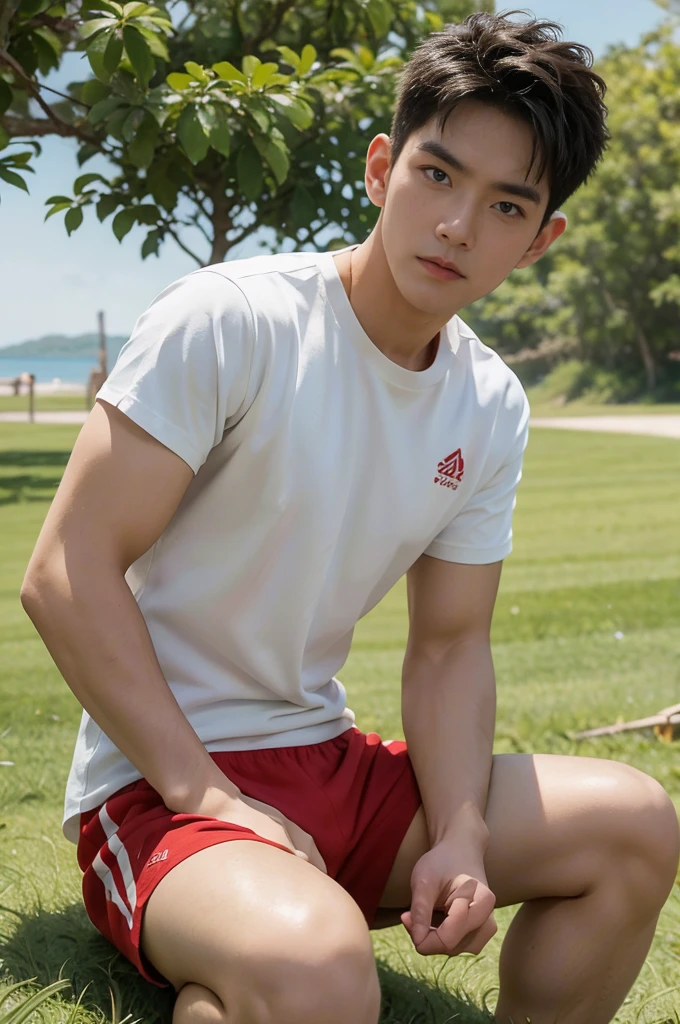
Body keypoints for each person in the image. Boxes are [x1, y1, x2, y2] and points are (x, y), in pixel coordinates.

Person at [21, 11, 679, 1024]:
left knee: (633, 823)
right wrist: (208, 797)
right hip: (157, 785)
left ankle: (243, 978)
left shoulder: (488, 403)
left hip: (326, 759)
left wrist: (458, 831)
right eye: (437, 175)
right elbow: (65, 572)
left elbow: (450, 647)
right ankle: (260, 963)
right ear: (381, 168)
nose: (458, 223)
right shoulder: (233, 319)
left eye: (505, 205)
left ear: (541, 238)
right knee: (322, 970)